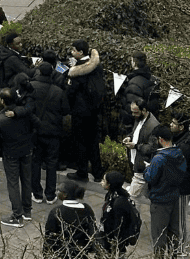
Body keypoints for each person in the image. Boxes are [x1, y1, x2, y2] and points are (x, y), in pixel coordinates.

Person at [0, 87, 37, 227]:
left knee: (13, 183)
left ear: (2, 101)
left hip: (10, 153)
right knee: (26, 180)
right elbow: (36, 125)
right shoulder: (24, 112)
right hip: (26, 150)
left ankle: (17, 216)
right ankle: (27, 211)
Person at [143, 123, 187, 257]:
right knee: (173, 233)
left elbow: (150, 178)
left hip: (160, 200)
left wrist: (147, 168)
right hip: (174, 197)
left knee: (159, 235)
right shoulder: (179, 153)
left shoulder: (159, 158)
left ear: (160, 139)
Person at [30, 61, 70, 205]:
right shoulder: (58, 91)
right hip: (53, 132)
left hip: (36, 131)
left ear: (39, 72)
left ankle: (37, 194)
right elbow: (65, 110)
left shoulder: (32, 87)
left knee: (35, 162)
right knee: (52, 164)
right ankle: (51, 195)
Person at [65, 40, 105, 183]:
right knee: (93, 142)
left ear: (80, 52)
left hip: (80, 112)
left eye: (73, 50)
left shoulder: (78, 70)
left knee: (80, 142)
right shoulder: (97, 66)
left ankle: (82, 172)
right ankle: (98, 172)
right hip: (94, 111)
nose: (72, 52)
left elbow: (71, 91)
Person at [44, 180, 97, 257]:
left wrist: (46, 254)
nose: (57, 192)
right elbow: (92, 230)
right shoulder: (87, 209)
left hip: (62, 252)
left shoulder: (56, 212)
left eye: (59, 190)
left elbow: (50, 236)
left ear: (65, 194)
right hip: (81, 251)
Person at [170, 110, 190, 243]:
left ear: (181, 127)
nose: (170, 125)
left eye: (173, 123)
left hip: (182, 189)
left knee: (180, 221)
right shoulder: (180, 139)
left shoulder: (185, 147)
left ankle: (181, 249)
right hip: (178, 187)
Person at [98, 170, 134, 256]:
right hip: (106, 235)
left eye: (103, 180)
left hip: (113, 241)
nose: (101, 182)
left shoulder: (119, 203)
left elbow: (119, 226)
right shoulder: (110, 195)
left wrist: (114, 243)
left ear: (109, 184)